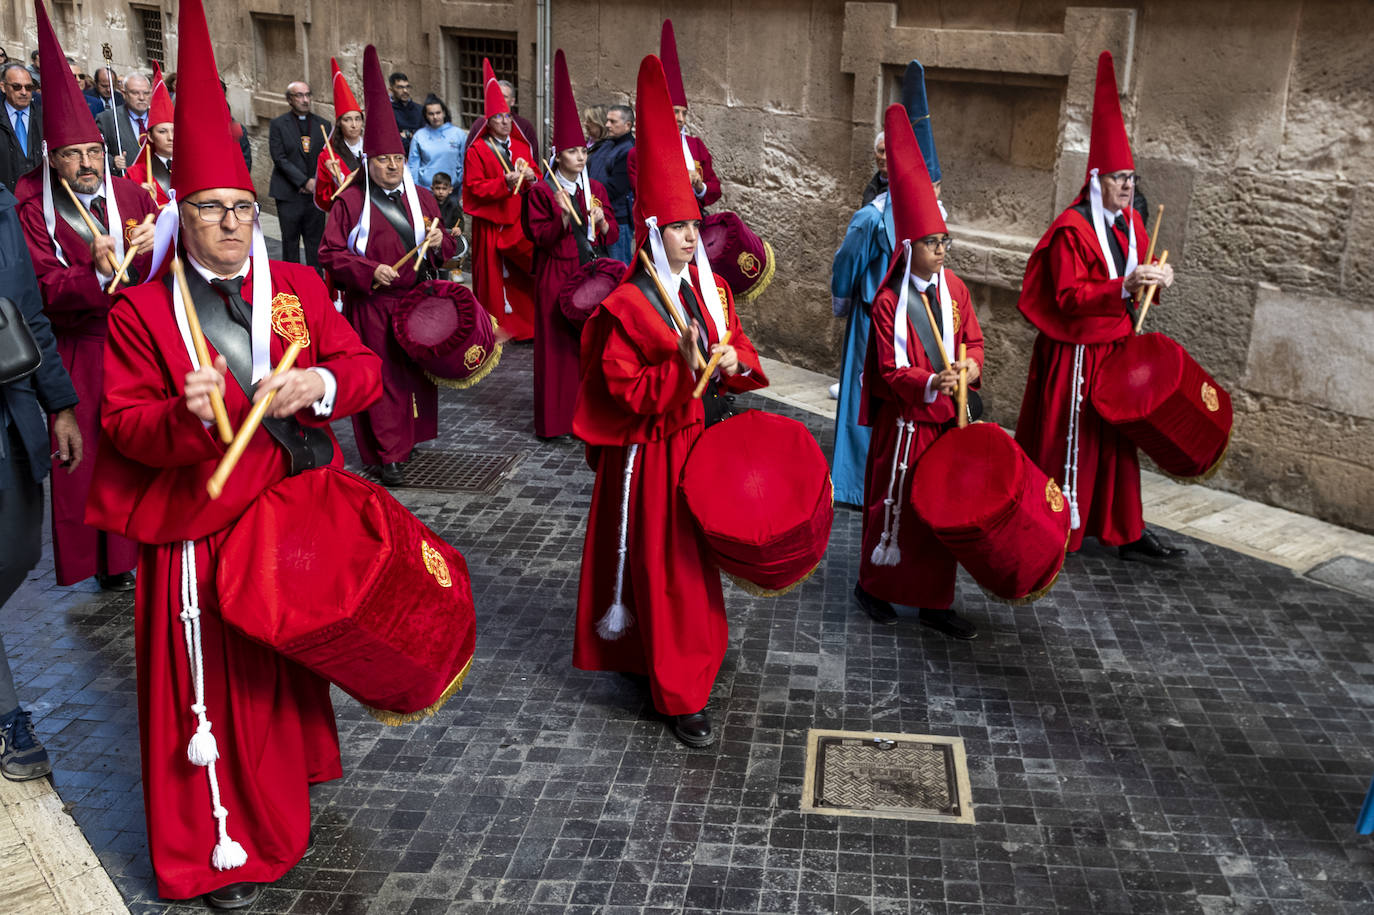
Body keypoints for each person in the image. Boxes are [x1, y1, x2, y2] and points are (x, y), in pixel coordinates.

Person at [85, 1, 382, 906]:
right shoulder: (140, 312)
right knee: (214, 694)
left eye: (242, 209)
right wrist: (183, 416)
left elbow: (362, 366)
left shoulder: (294, 290)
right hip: (195, 532)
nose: (230, 224)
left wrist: (318, 387)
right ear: (183, 213)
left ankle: (282, 792)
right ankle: (221, 840)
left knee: (282, 673)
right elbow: (123, 427)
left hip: (287, 514)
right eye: (212, 210)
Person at [572, 54, 766, 749]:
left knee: (691, 565)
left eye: (696, 224)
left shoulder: (711, 289)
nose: (694, 236)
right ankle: (678, 690)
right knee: (661, 564)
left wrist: (731, 361)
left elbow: (738, 349)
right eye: (681, 227)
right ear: (655, 232)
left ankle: (683, 659)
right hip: (651, 454)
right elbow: (623, 390)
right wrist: (681, 372)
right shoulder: (628, 304)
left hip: (700, 443)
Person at [1013, 51, 1184, 564]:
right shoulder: (1072, 230)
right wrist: (1125, 286)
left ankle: (1126, 530)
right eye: (1118, 178)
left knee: (1116, 446)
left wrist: (1160, 276)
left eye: (1131, 177)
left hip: (1115, 349)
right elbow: (1068, 298)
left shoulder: (1132, 224)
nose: (1128, 186)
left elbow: (1140, 272)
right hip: (1075, 356)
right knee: (1071, 441)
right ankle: (1055, 524)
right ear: (1096, 181)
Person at [15, 0, 157, 591]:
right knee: (86, 459)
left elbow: (160, 264)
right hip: (77, 349)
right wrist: (97, 276)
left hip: (136, 343)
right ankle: (96, 562)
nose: (84, 164)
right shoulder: (32, 208)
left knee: (137, 450)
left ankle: (134, 551)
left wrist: (155, 243)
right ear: (53, 159)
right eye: (71, 155)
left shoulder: (130, 196)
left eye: (92, 153)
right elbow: (42, 287)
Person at [851, 103, 983, 642]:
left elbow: (973, 340)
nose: (942, 251)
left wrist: (969, 368)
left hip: (947, 424)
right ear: (911, 247)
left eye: (945, 242)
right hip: (905, 426)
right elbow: (889, 367)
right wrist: (932, 382)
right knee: (893, 506)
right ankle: (874, 587)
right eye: (933, 243)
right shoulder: (889, 304)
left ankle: (935, 600)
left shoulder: (955, 291)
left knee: (939, 513)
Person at [319, 45, 454, 488]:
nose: (393, 167)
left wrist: (440, 241)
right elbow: (330, 254)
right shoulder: (351, 202)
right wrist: (367, 271)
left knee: (413, 377)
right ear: (368, 162)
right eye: (383, 160)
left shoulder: (423, 197)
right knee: (380, 381)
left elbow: (448, 244)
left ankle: (408, 439)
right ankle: (386, 455)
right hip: (373, 305)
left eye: (397, 159)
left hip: (416, 303)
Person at [831, 60, 944, 507]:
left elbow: (849, 266)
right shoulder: (875, 216)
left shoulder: (898, 219)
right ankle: (865, 480)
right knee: (876, 395)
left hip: (896, 318)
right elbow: (848, 265)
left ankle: (879, 476)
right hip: (881, 317)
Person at [0, 176, 80, 782]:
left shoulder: (0, 204)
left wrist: (60, 405)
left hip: (10, 409)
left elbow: (29, 312)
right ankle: (6, 715)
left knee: (20, 549)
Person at [522, 50, 617, 440]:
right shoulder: (544, 191)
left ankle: (589, 415)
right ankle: (556, 422)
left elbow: (608, 235)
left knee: (590, 347)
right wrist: (564, 215)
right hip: (556, 272)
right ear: (557, 155)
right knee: (557, 350)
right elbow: (537, 236)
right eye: (572, 152)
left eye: (582, 151)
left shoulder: (594, 188)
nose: (579, 157)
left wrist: (601, 220)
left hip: (589, 270)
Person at [462, 59, 537, 341]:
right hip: (492, 222)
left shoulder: (520, 145)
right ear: (488, 122)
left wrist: (530, 175)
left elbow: (536, 174)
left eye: (507, 116)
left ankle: (525, 324)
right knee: (494, 278)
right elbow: (475, 187)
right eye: (498, 118)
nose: (505, 122)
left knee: (522, 275)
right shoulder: (478, 150)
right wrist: (502, 183)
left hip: (518, 220)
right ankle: (496, 326)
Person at [627, 21, 721, 214]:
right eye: (675, 112)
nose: (681, 119)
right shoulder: (638, 153)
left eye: (684, 113)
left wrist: (699, 186)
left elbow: (715, 188)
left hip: (696, 222)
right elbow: (643, 194)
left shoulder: (696, 146)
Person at [267, 79, 329, 268]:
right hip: (288, 193)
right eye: (299, 95)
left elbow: (327, 157)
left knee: (315, 244)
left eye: (308, 95)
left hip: (314, 196)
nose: (305, 100)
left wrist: (315, 182)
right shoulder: (278, 124)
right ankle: (292, 285)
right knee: (290, 242)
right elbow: (279, 157)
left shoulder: (323, 125)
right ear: (289, 100)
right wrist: (303, 182)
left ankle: (316, 285)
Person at [312, 58, 363, 212]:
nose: (354, 125)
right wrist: (333, 176)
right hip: (345, 212)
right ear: (340, 123)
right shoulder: (328, 156)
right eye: (348, 120)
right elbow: (324, 197)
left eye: (358, 119)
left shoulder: (372, 148)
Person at [587, 104, 634, 265]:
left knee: (618, 267)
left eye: (613, 122)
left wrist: (588, 196)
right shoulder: (606, 144)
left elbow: (617, 187)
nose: (607, 125)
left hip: (617, 220)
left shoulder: (629, 151)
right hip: (596, 214)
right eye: (607, 121)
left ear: (627, 125)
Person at [122, 63, 174, 208]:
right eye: (162, 131)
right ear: (149, 136)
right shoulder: (135, 174)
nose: (171, 137)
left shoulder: (190, 167)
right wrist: (139, 198)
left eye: (174, 131)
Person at [464, 78, 541, 165]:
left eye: (504, 96)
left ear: (512, 101)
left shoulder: (524, 126)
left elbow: (533, 160)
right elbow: (468, 155)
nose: (499, 99)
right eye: (496, 95)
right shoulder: (480, 124)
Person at [95, 71, 152, 175]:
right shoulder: (107, 119)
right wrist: (113, 162)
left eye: (146, 93)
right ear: (124, 94)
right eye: (135, 93)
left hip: (158, 183)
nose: (142, 98)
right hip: (126, 181)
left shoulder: (159, 117)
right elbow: (95, 152)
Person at [406, 94, 464, 189]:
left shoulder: (458, 134)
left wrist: (460, 185)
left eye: (438, 113)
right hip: (427, 189)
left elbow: (464, 163)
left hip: (452, 189)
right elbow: (413, 166)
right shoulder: (419, 136)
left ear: (444, 113)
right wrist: (416, 189)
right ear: (426, 115)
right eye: (431, 114)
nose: (435, 117)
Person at [1, 62, 42, 189]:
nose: (24, 92)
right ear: (3, 87)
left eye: (29, 87)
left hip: (40, 197)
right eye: (17, 86)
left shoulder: (44, 118)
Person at [388, 71, 422, 155]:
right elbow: (391, 138)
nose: (405, 91)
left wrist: (406, 134)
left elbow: (425, 136)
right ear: (391, 90)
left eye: (407, 87)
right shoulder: (387, 111)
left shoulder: (420, 110)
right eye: (400, 87)